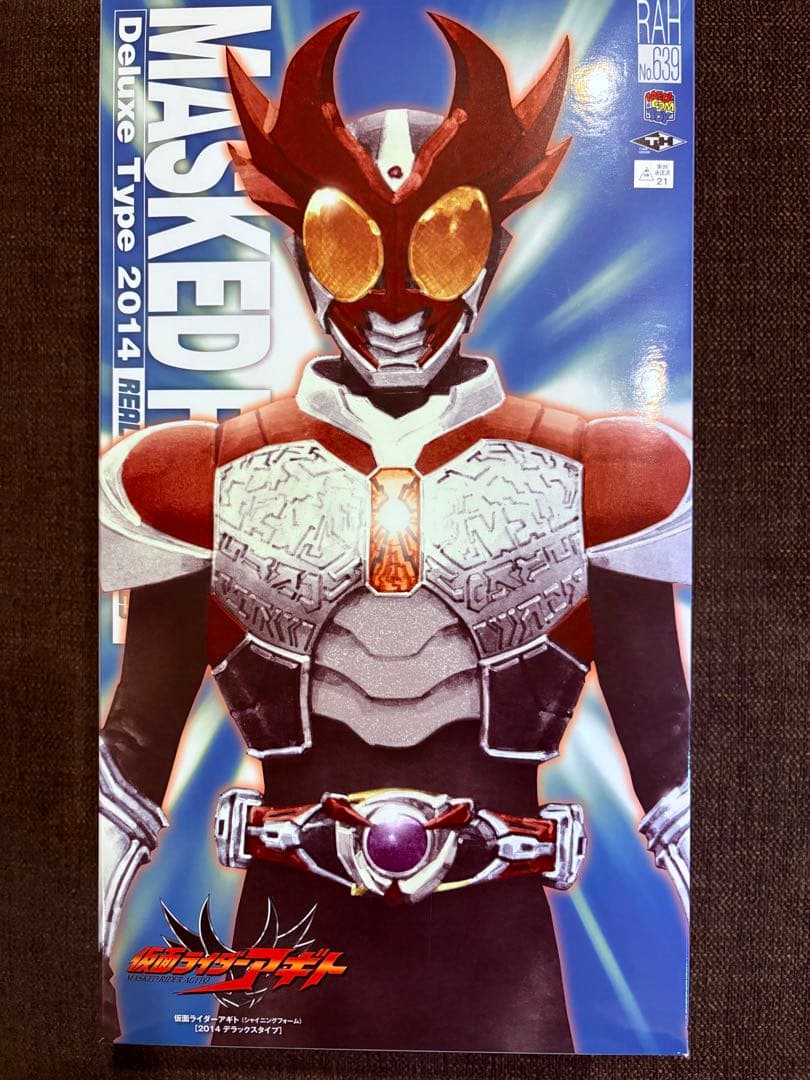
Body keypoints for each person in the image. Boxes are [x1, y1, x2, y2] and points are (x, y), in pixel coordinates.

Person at [99, 14, 690, 1051]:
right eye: (350, 245)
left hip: (499, 962)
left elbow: (673, 758)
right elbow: (129, 761)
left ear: (491, 250)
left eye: (444, 244)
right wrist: (75, 958)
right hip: (286, 952)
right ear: (305, 251)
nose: (397, 300)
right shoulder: (199, 478)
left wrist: (750, 966)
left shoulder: (604, 475)